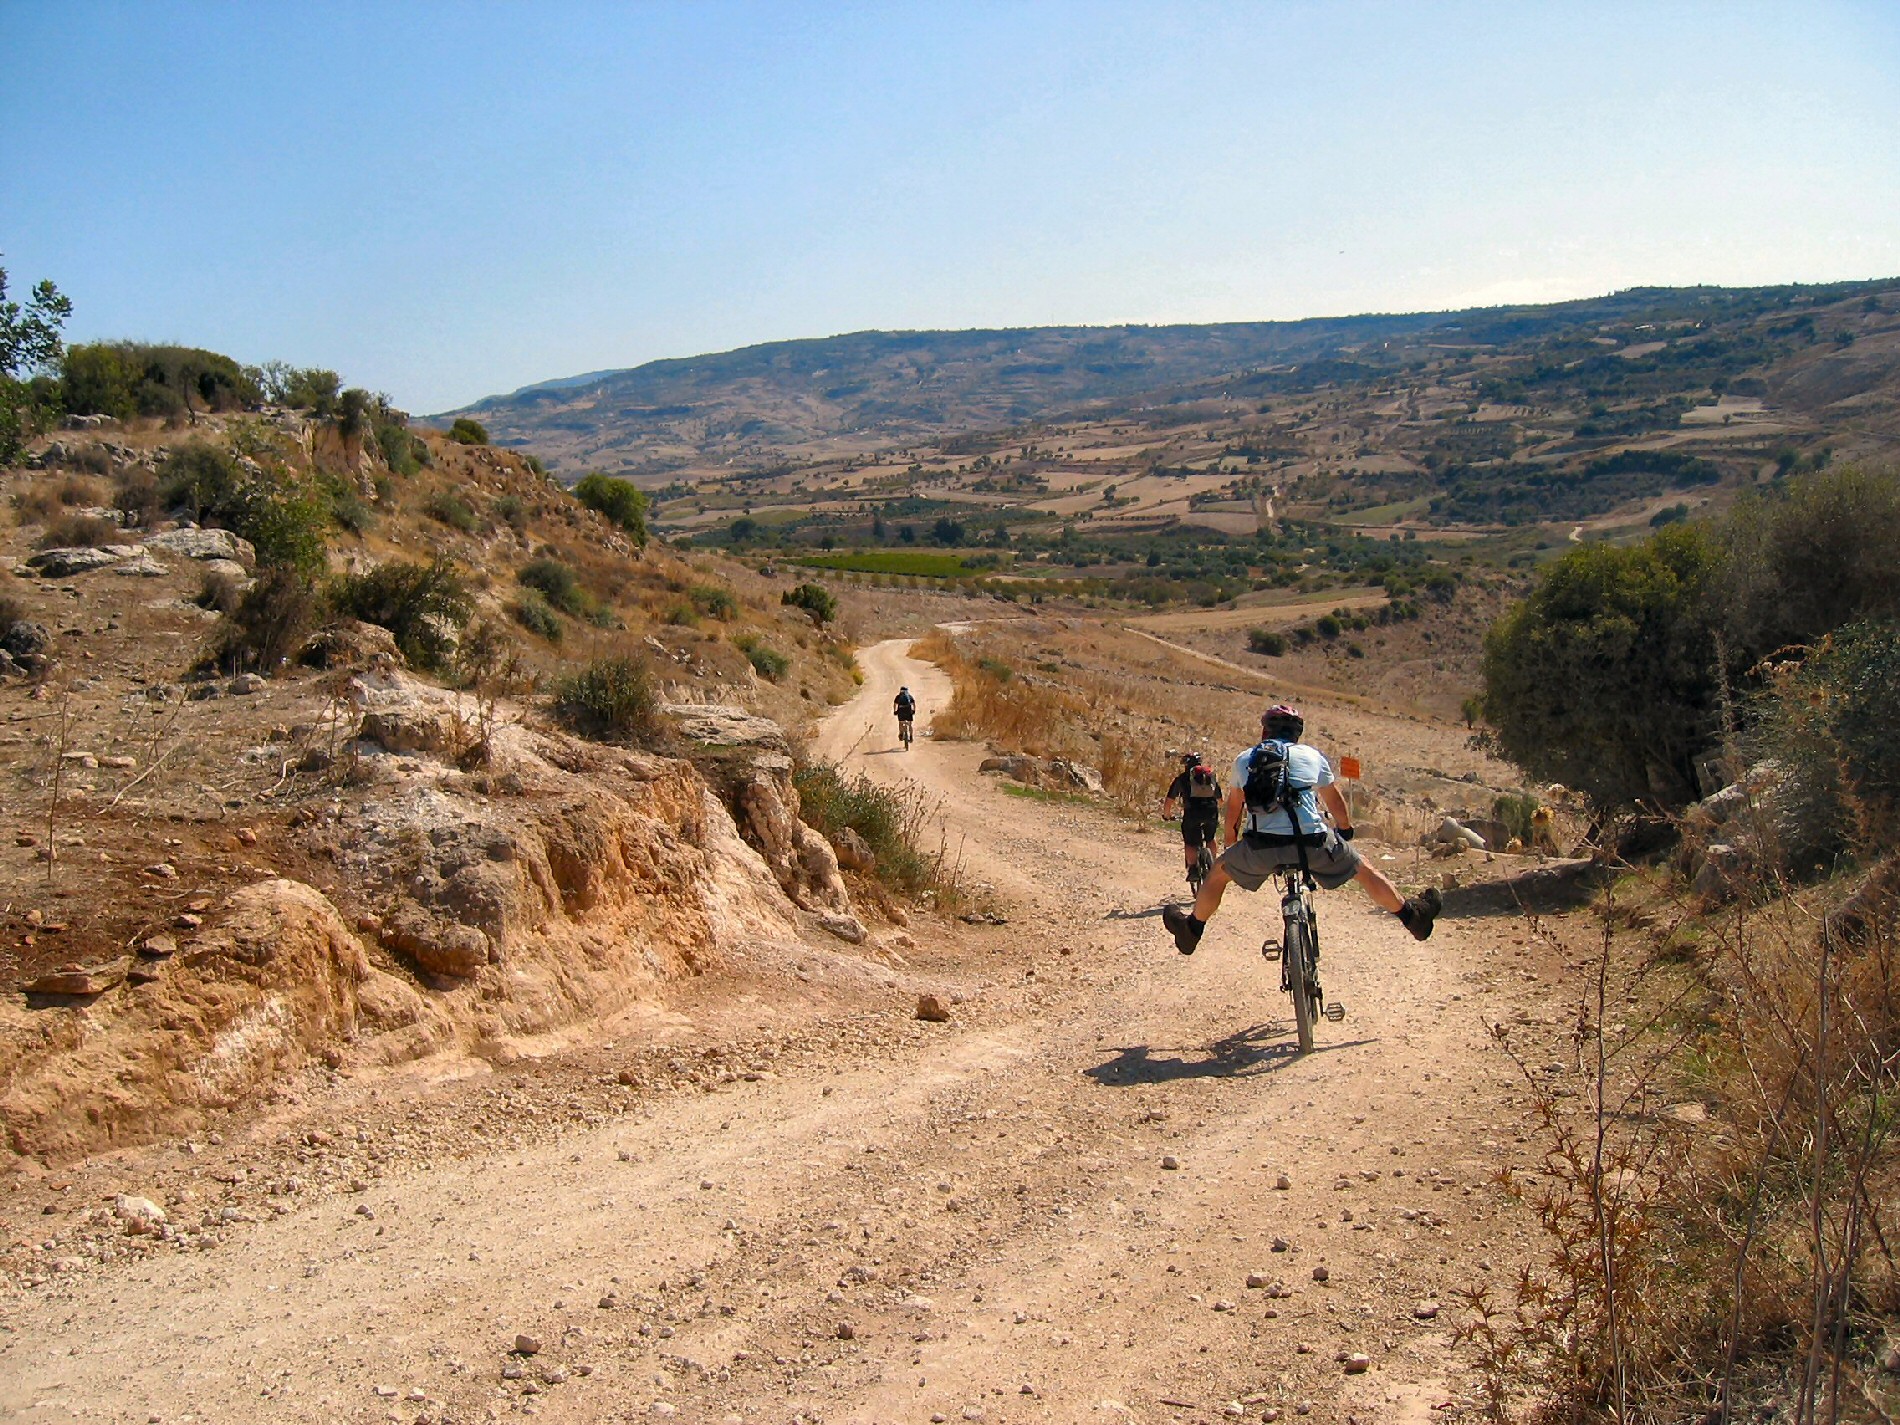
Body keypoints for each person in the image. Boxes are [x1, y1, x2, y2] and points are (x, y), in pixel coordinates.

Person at [1162, 703, 1440, 956]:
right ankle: (1412, 919)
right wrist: (1345, 831)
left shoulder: (1246, 759)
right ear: (1297, 734)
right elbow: (1335, 802)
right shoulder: (1312, 756)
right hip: (1314, 844)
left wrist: (1232, 849)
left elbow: (1234, 812)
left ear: (1264, 731)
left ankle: (1191, 932)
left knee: (1216, 876)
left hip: (1261, 846)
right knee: (1362, 870)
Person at [1161, 750, 1223, 886]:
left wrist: (1167, 815)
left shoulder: (1182, 778)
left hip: (1192, 813)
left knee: (1190, 842)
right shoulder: (1209, 776)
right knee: (1210, 838)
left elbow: (1170, 800)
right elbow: (1220, 799)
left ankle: (1194, 870)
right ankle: (1213, 864)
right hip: (1211, 811)